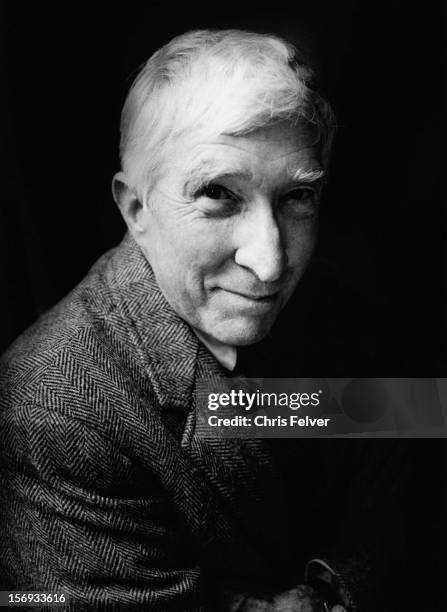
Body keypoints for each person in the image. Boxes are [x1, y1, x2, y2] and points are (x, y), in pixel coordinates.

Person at [0, 29, 409, 611]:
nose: (268, 264)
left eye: (297, 197)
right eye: (218, 192)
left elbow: (409, 463)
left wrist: (322, 594)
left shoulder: (337, 309)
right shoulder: (46, 405)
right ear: (135, 208)